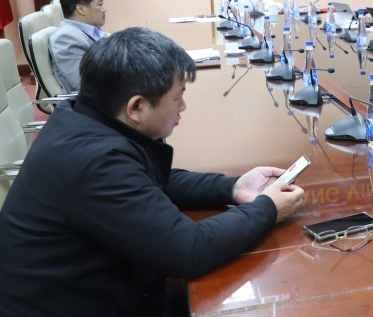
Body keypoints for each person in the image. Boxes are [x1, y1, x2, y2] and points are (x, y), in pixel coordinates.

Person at [0, 27, 305, 315]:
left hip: (99, 291)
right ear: (136, 107)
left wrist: (233, 187)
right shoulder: (96, 162)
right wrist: (267, 209)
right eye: (177, 97)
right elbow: (188, 250)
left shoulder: (84, 116)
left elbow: (144, 182)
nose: (183, 107)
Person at [49, 0, 107, 92]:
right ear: (81, 9)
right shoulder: (66, 38)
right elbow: (88, 84)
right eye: (100, 5)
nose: (104, 10)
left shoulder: (91, 30)